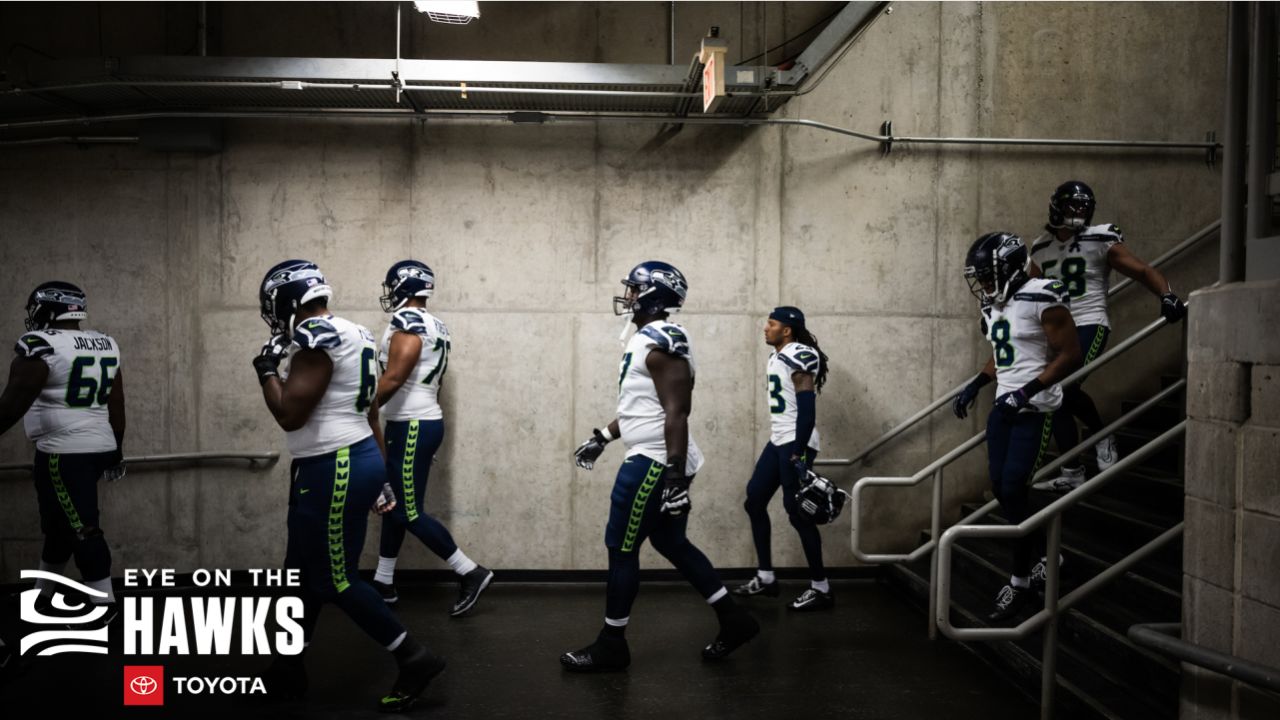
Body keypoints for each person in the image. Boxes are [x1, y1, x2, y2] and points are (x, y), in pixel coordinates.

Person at [252, 259, 443, 712]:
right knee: (297, 573)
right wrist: (380, 474)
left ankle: (413, 657)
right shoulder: (354, 331)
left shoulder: (314, 340)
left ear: (286, 300)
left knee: (334, 579)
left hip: (331, 465)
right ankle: (286, 666)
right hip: (353, 456)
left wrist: (264, 370)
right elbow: (366, 412)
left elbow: (289, 413)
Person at [562, 261, 759, 671]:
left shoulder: (663, 341)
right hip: (657, 453)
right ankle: (734, 618)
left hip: (654, 461)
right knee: (671, 542)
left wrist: (672, 477)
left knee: (621, 549)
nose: (628, 295)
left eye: (635, 288)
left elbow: (677, 412)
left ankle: (612, 644)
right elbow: (642, 407)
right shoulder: (645, 339)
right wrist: (604, 436)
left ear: (653, 294)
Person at [952, 234, 1082, 623]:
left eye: (989, 276)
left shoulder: (1043, 295)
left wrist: (1027, 392)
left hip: (1035, 409)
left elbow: (1070, 355)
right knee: (1002, 489)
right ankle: (1050, 555)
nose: (985, 285)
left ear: (1009, 267)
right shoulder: (993, 306)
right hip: (1003, 408)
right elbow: (1003, 352)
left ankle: (1020, 581)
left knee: (1013, 488)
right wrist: (976, 384)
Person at [1028, 181, 1187, 490]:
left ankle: (1101, 435)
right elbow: (1028, 294)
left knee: (1059, 387)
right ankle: (1072, 471)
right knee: (1051, 395)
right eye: (1073, 206)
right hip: (1058, 330)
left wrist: (1166, 295)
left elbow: (1141, 270)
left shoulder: (1100, 238)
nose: (1078, 213)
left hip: (1090, 323)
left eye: (1084, 208)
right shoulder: (1041, 246)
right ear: (1057, 206)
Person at [371, 260, 493, 617]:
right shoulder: (434, 324)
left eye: (392, 285)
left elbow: (393, 379)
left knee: (407, 510)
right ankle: (383, 580)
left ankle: (470, 571)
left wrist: (361, 410)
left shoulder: (408, 323)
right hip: (418, 423)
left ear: (403, 286)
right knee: (394, 504)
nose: (388, 292)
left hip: (411, 424)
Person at [0, 282, 125, 625]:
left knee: (82, 528)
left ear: (46, 309)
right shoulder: (104, 343)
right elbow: (116, 400)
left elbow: (13, 403)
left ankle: (105, 607)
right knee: (59, 527)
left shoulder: (42, 345)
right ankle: (43, 594)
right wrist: (116, 448)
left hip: (63, 451)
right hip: (96, 444)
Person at [733, 306, 835, 610]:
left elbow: (807, 407)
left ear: (787, 329)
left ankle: (821, 588)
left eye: (772, 323)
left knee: (797, 512)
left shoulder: (800, 353)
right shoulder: (777, 355)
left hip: (795, 439)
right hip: (779, 438)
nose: (765, 328)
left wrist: (799, 451)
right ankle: (766, 577)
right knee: (754, 500)